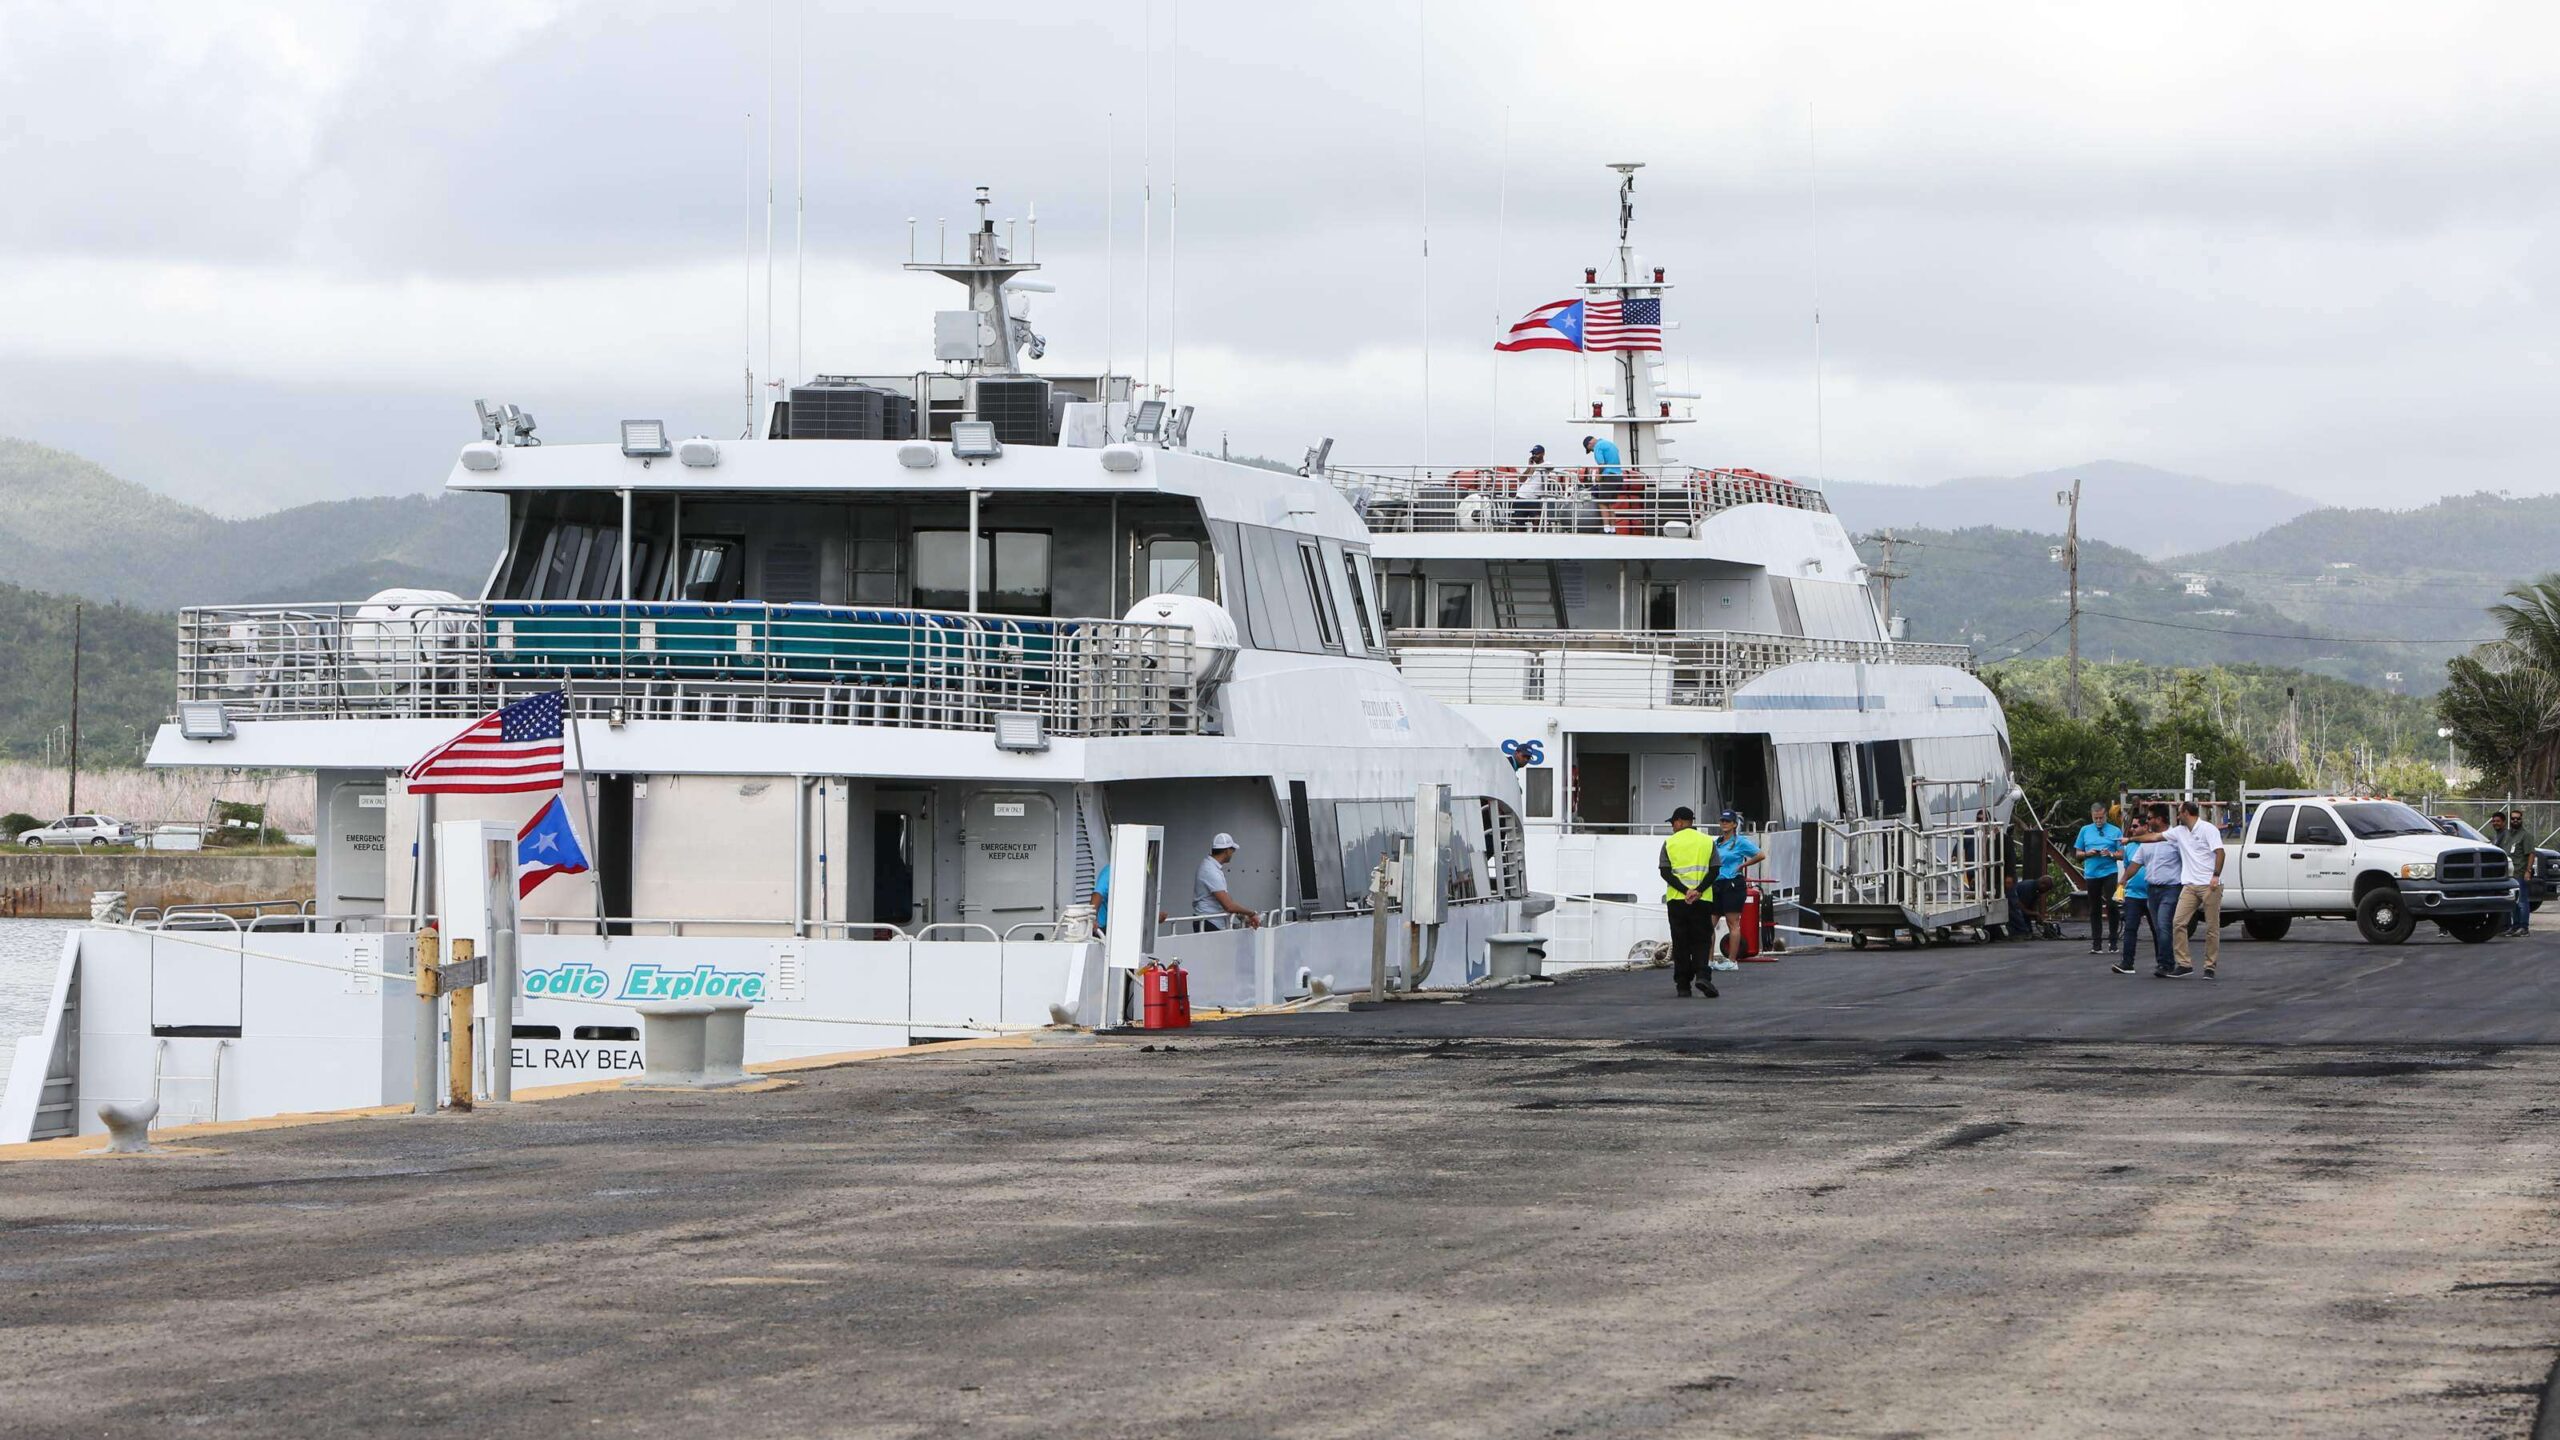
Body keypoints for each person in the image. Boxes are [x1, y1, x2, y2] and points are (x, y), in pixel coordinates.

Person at [1658, 806, 1719, 998]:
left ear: (1680, 822)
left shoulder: (1669, 843)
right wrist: (1698, 891)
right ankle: (1702, 975)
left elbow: (1665, 872)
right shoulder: (1707, 841)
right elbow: (1715, 870)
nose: (1672, 827)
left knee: (1680, 941)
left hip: (1677, 900)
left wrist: (1686, 891)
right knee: (1702, 940)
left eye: (1673, 823)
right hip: (1702, 900)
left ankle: (1683, 985)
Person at [2125, 805, 2187, 976]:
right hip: (2152, 889)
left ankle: (2166, 964)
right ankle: (2165, 962)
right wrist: (2123, 880)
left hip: (2170, 888)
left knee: (2163, 924)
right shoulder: (2147, 842)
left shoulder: (2175, 838)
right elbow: (2135, 864)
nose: (2148, 821)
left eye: (2150, 818)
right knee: (2159, 928)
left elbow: (2187, 859)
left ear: (2159, 819)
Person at [1711, 810, 1765, 961]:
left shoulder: (1740, 842)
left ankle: (1732, 960)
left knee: (1732, 923)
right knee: (1709, 924)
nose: (1724, 823)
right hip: (1717, 883)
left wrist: (1742, 865)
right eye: (1722, 821)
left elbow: (1760, 855)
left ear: (1734, 824)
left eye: (1727, 821)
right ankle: (1709, 960)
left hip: (1732, 883)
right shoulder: (1717, 842)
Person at [2072, 801, 2125, 954]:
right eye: (2096, 818)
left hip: (2109, 871)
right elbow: (2078, 854)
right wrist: (2088, 854)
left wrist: (2111, 854)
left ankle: (2113, 941)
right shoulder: (2085, 830)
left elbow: (2122, 854)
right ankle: (2096, 943)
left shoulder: (2115, 831)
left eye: (2101, 818)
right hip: (2092, 873)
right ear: (2092, 816)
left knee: (2112, 905)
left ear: (2106, 815)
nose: (2098, 821)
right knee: (2094, 908)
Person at [1192, 833, 1262, 931]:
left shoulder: (1211, 867)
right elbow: (1228, 906)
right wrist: (1252, 914)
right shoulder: (1210, 871)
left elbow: (1227, 899)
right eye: (1232, 850)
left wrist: (1243, 917)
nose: (1233, 853)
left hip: (1210, 922)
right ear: (1227, 851)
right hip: (1209, 923)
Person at [2112, 836, 2154, 975]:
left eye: (2136, 826)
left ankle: (2164, 963)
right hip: (2133, 894)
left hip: (2152, 893)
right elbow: (2127, 867)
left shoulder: (2154, 843)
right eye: (2132, 827)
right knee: (2130, 928)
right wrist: (2123, 883)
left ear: (2146, 827)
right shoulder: (2129, 847)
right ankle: (2127, 963)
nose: (2133, 829)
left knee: (2158, 930)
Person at [2502, 809, 2536, 936]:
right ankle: (2515, 926)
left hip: (2520, 873)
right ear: (2510, 820)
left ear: (2522, 820)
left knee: (2522, 901)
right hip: (2509, 874)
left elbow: (2531, 854)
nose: (2515, 820)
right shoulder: (2507, 835)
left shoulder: (2526, 835)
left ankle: (2524, 927)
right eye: (2513, 818)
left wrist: (2528, 871)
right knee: (2513, 902)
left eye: (2518, 818)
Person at [1512, 445, 1552, 527]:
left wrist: (1535, 467)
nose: (1534, 456)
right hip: (1521, 496)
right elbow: (1521, 479)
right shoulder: (1530, 467)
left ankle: (1535, 535)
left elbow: (1551, 467)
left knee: (1537, 519)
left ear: (1543, 454)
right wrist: (1529, 467)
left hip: (1534, 498)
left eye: (1536, 454)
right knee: (1519, 523)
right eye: (1533, 454)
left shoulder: (1546, 464)